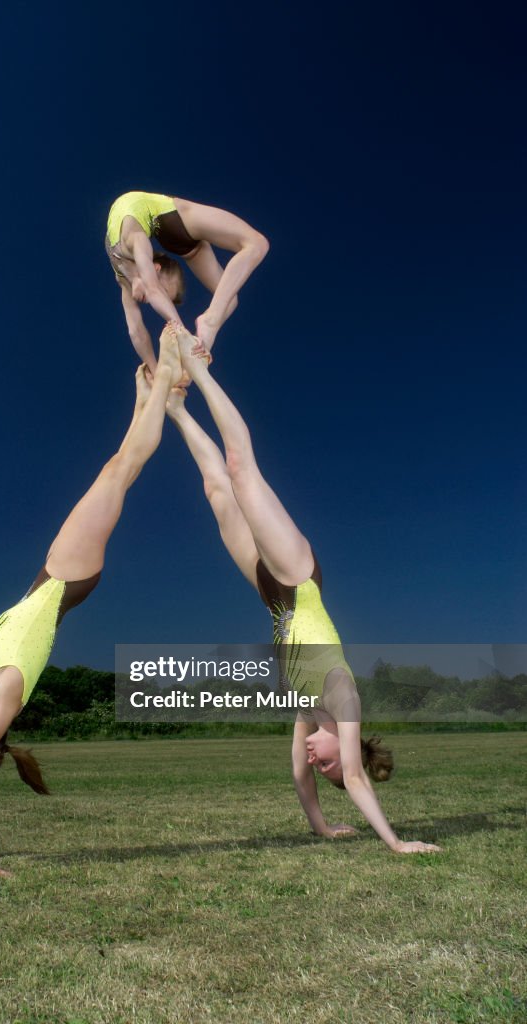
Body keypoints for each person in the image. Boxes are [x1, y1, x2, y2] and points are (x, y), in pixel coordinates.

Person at [164, 322, 441, 854]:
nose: (316, 761)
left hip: (272, 596)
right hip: (298, 578)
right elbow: (354, 778)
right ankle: (199, 370)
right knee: (242, 472)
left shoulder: (308, 712)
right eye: (327, 763)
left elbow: (298, 774)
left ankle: (176, 409)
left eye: (322, 766)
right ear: (347, 748)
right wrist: (396, 843)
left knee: (218, 494)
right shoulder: (343, 701)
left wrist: (321, 826)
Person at [0, 332, 184, 879]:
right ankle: (165, 379)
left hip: (48, 577)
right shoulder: (0, 701)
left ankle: (148, 399)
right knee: (119, 471)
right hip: (66, 580)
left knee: (118, 471)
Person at [106, 191, 269, 373]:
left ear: (155, 269)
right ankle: (206, 330)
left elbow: (152, 293)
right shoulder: (126, 268)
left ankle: (205, 332)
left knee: (233, 289)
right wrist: (154, 368)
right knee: (254, 249)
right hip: (172, 222)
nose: (158, 301)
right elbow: (136, 331)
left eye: (164, 294)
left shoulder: (132, 246)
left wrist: (182, 335)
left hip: (166, 218)